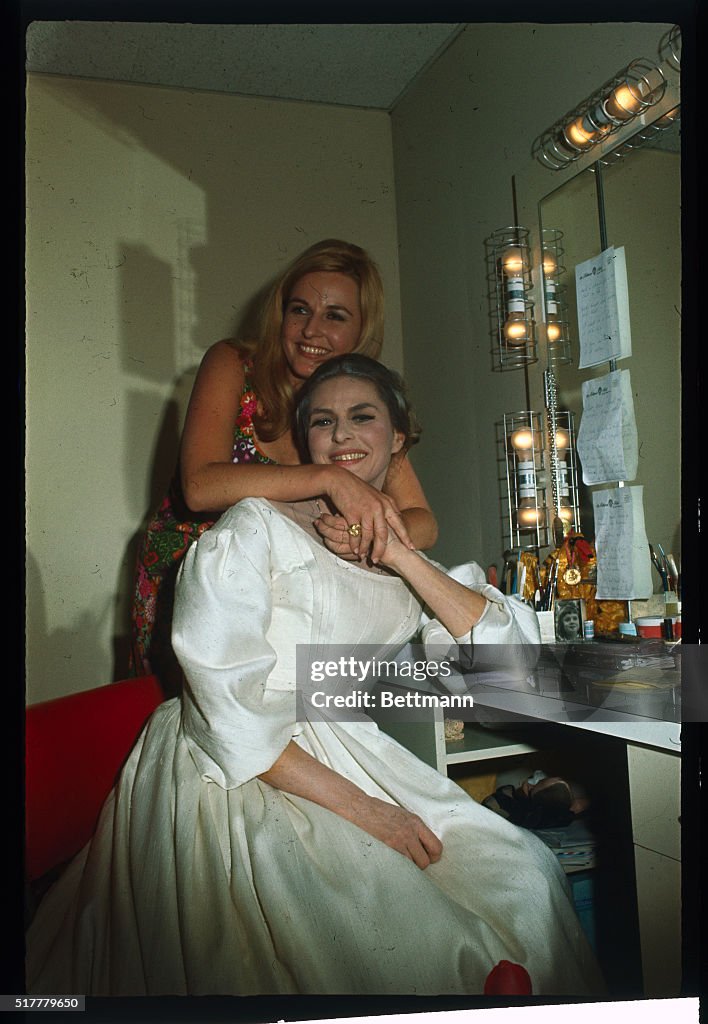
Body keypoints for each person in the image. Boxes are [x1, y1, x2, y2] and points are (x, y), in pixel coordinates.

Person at [27, 355, 601, 996]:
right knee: (394, 935)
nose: (343, 435)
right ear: (308, 447)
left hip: (347, 750)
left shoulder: (395, 553)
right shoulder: (254, 528)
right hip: (235, 767)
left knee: (526, 876)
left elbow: (516, 670)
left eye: (364, 417)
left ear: (399, 439)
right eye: (324, 422)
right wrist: (369, 812)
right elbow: (225, 704)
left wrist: (401, 558)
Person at [131, 239, 438, 694]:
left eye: (335, 316)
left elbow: (422, 522)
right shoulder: (234, 364)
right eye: (300, 310)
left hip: (285, 595)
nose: (312, 330)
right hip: (190, 584)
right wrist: (329, 478)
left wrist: (361, 534)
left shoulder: (363, 399)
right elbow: (198, 486)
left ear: (361, 331)